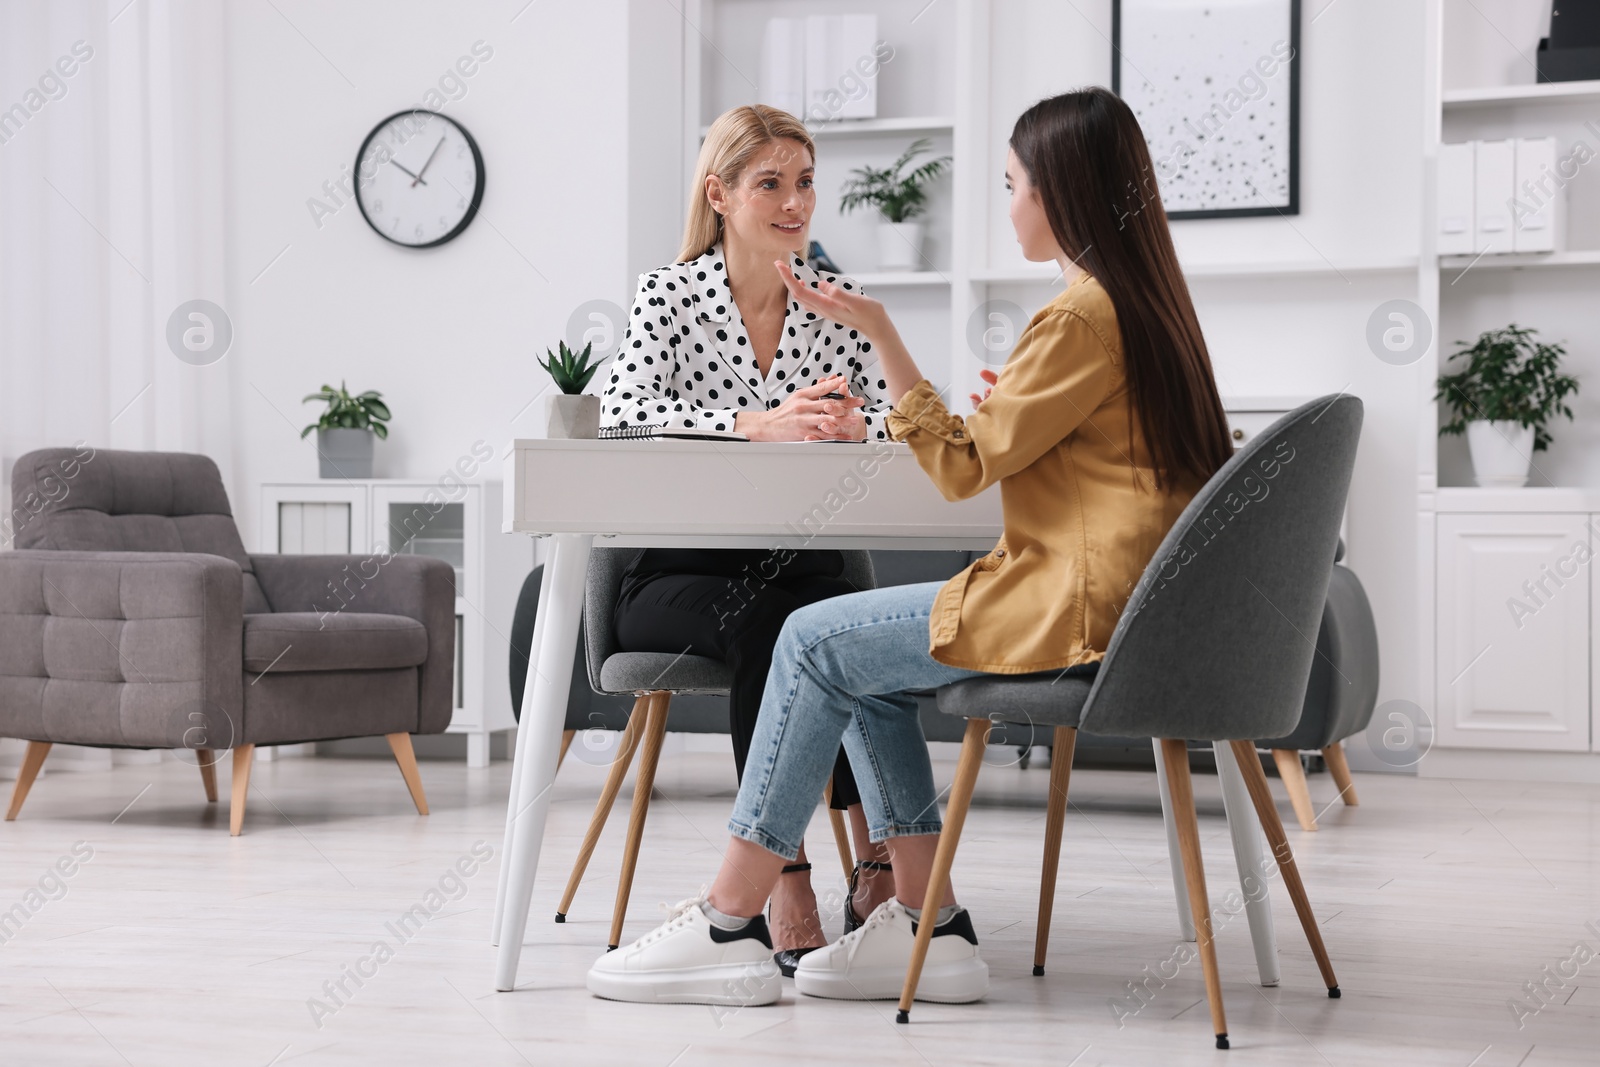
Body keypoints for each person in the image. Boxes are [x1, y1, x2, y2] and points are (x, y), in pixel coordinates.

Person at [586, 85, 1236, 1009]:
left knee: (811, 637)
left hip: (1071, 605)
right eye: (772, 181)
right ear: (720, 194)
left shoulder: (1079, 317)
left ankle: (728, 919)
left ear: (1063, 193)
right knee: (851, 656)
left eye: (1013, 184)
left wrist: (881, 333)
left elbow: (963, 465)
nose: (1007, 203)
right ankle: (933, 927)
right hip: (1111, 600)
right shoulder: (1140, 307)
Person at [599, 104, 902, 974]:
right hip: (671, 577)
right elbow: (622, 418)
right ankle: (788, 871)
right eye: (770, 182)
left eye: (804, 182)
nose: (794, 201)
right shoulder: (670, 293)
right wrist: (752, 424)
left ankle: (879, 860)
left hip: (800, 558)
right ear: (720, 195)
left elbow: (893, 415)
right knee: (781, 629)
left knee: (841, 625)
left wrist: (859, 430)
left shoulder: (832, 305)